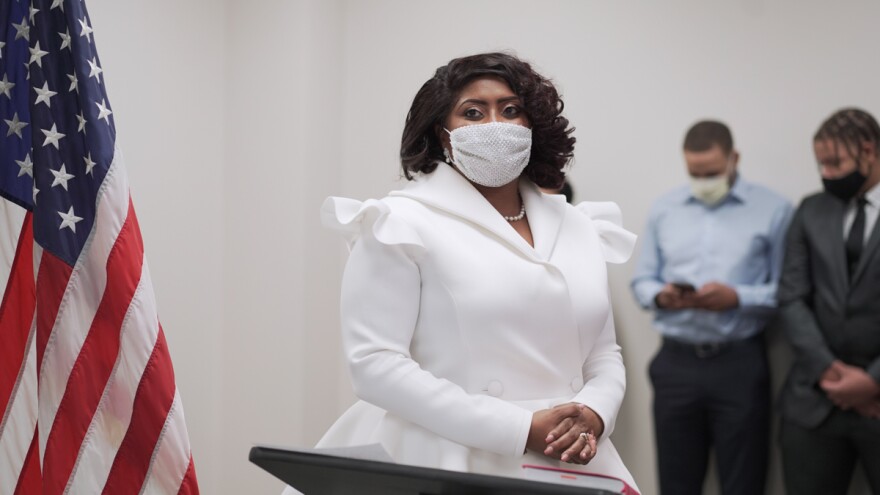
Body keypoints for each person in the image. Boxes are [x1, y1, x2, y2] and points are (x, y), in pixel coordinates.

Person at [284, 52, 639, 492]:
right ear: (442, 133)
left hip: (571, 456)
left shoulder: (579, 225)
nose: (495, 124)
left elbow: (603, 354)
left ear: (532, 125)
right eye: (473, 112)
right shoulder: (400, 221)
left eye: (511, 110)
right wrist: (518, 428)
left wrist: (595, 412)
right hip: (447, 454)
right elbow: (374, 364)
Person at [630, 120, 792, 494]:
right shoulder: (665, 208)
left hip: (739, 363)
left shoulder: (774, 210)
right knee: (676, 482)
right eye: (695, 173)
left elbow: (787, 290)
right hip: (676, 363)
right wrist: (662, 296)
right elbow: (642, 280)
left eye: (713, 173)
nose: (704, 181)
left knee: (743, 481)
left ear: (734, 158)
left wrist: (737, 298)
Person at [777, 108, 880, 494]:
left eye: (836, 162)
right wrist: (829, 371)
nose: (828, 174)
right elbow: (791, 296)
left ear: (868, 150)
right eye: (822, 164)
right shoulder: (811, 210)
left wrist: (872, 381)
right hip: (813, 400)